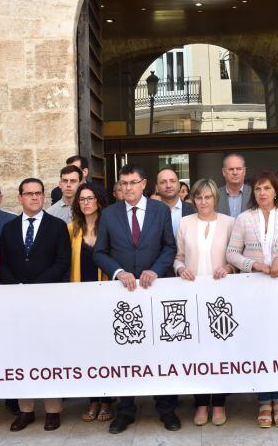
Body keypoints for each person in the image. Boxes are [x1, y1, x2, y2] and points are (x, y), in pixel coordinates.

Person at [95, 164, 179, 434]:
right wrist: (118, 272)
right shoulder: (108, 214)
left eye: (133, 182)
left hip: (155, 291)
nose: (128, 188)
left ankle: (166, 409)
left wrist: (155, 269)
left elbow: (170, 246)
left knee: (158, 350)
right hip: (123, 295)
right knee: (125, 352)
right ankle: (126, 410)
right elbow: (100, 252)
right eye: (124, 183)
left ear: (144, 184)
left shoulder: (160, 211)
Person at [227, 171, 278, 427]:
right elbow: (231, 253)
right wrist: (254, 265)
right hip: (252, 290)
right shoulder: (243, 218)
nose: (262, 193)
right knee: (259, 344)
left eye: (267, 189)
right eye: (258, 189)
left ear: (276, 192)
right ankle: (263, 401)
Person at [0, 178, 71, 431]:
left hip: (47, 299)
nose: (34, 198)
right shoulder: (8, 228)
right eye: (28, 194)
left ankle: (53, 410)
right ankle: (25, 410)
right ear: (19, 198)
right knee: (21, 355)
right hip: (16, 301)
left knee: (48, 353)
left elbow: (62, 261)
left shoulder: (57, 226)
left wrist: (37, 286)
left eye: (38, 193)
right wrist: (17, 287)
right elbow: (2, 263)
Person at [174, 179, 235, 426]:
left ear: (215, 199)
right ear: (193, 200)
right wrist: (180, 270)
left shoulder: (229, 223)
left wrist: (229, 267)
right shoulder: (185, 223)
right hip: (192, 295)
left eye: (208, 197)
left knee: (220, 349)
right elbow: (177, 257)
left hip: (222, 297)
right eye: (198, 197)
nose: (203, 202)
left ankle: (219, 403)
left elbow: (235, 257)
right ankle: (200, 403)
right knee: (196, 350)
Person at [69, 183, 113, 422]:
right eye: (82, 199)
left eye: (90, 198)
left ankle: (107, 401)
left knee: (105, 351)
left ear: (99, 201)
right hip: (80, 300)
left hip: (105, 298)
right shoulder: (71, 230)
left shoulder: (109, 228)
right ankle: (92, 401)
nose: (86, 203)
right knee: (86, 351)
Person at [155, 167, 195, 239]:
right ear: (157, 188)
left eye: (172, 181)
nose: (168, 185)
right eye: (163, 182)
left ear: (179, 185)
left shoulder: (194, 210)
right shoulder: (150, 212)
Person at [216, 153, 248, 218]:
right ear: (223, 172)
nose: (235, 173)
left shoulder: (254, 193)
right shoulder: (215, 195)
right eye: (231, 169)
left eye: (239, 169)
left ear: (244, 171)